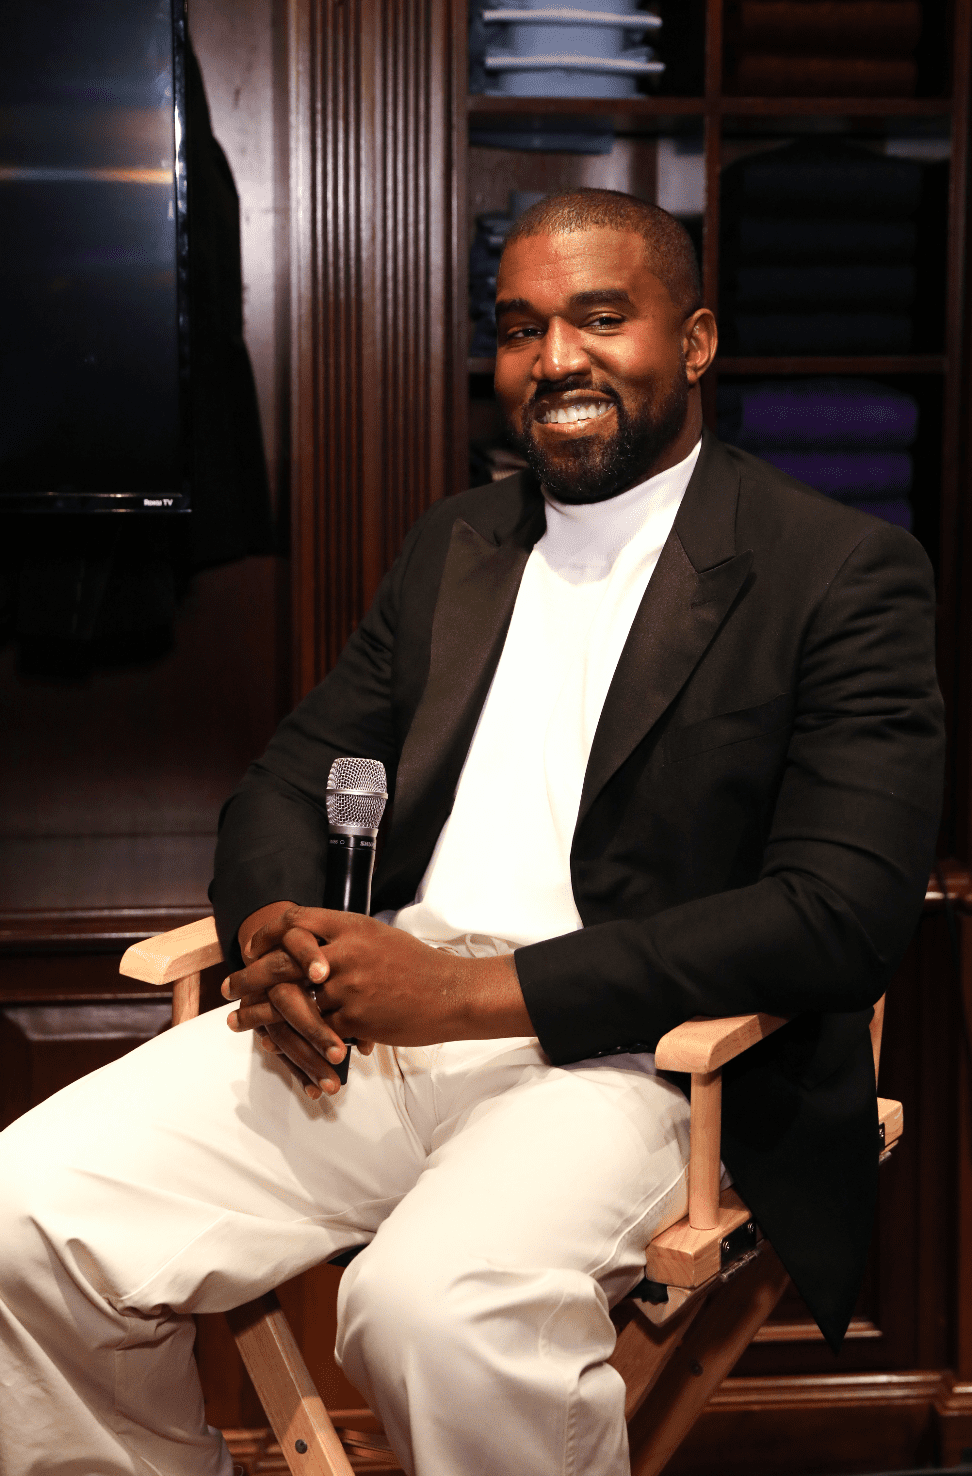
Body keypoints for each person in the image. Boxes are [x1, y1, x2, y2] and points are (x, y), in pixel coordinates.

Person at [0, 189, 944, 1476]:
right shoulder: (460, 543)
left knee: (435, 1311)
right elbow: (289, 778)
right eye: (520, 328)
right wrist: (278, 938)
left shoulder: (839, 570)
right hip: (378, 1030)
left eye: (599, 318)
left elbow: (840, 915)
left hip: (642, 1065)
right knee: (21, 1214)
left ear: (699, 340)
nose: (554, 360)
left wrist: (468, 993)